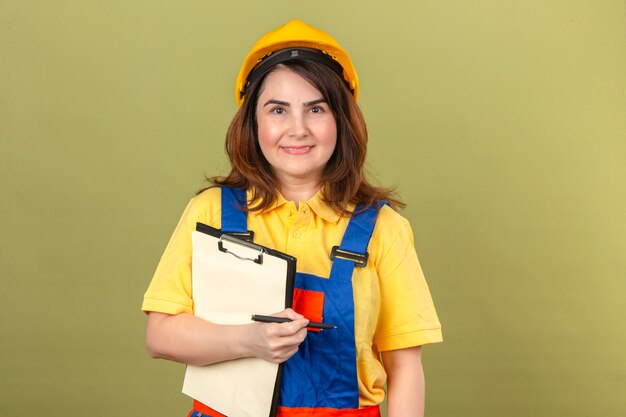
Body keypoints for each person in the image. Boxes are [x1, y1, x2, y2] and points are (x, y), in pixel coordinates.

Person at [142, 19, 442, 417]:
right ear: (254, 122)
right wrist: (250, 341)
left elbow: (405, 367)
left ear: (342, 121)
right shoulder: (211, 212)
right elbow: (160, 335)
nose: (297, 129)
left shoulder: (383, 229)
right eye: (278, 110)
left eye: (316, 109)